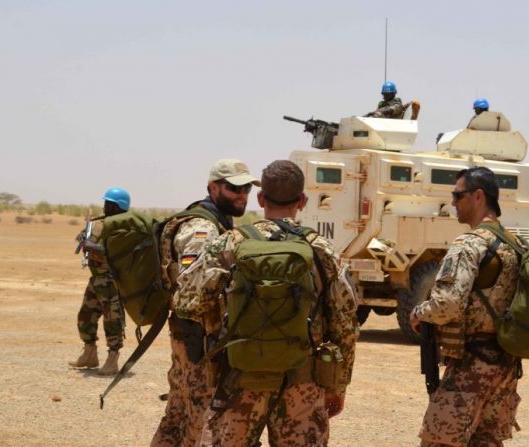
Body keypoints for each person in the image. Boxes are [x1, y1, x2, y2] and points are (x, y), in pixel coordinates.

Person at [174, 160, 359, 447]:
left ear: (260, 199)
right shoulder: (321, 249)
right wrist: (338, 385)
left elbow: (186, 303)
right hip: (303, 387)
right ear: (302, 201)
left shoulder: (230, 243)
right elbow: (345, 323)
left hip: (239, 380)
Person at [409, 167, 522, 447]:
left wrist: (418, 312)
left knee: (439, 442)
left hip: (471, 366)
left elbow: (447, 304)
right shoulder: (515, 244)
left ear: (479, 196)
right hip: (505, 366)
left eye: (458, 195)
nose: (453, 202)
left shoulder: (469, 244)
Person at [151, 159, 260, 447]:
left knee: (176, 414)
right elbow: (191, 295)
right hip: (200, 343)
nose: (242, 195)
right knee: (198, 421)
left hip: (194, 338)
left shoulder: (218, 223)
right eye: (234, 187)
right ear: (213, 187)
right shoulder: (201, 229)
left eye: (246, 187)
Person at [68, 187, 130, 376]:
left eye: (109, 204)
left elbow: (116, 252)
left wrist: (92, 246)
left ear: (119, 207)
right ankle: (89, 354)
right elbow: (92, 239)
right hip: (97, 279)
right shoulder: (100, 223)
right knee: (85, 317)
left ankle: (112, 359)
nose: (105, 206)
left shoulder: (122, 227)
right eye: (105, 203)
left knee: (113, 321)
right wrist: (83, 236)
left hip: (111, 281)